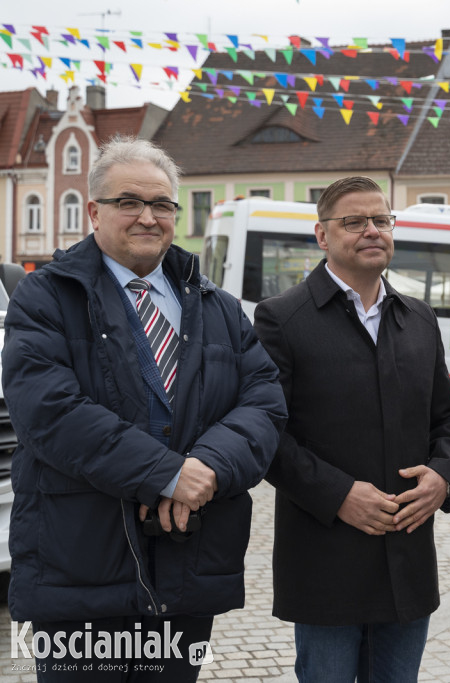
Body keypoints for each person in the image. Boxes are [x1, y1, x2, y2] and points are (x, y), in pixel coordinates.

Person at [2, 135, 287, 682]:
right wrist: (167, 474)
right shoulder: (44, 299)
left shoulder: (220, 309)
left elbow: (265, 404)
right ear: (93, 211)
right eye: (128, 202)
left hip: (188, 569)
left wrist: (207, 467)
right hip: (80, 570)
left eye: (161, 204)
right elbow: (50, 411)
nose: (147, 217)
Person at [253, 176, 450, 683]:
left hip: (408, 561)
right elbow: (265, 436)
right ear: (323, 236)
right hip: (326, 565)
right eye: (354, 221)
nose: (372, 230)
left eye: (382, 219)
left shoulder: (419, 318)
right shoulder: (281, 320)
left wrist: (442, 476)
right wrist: (339, 494)